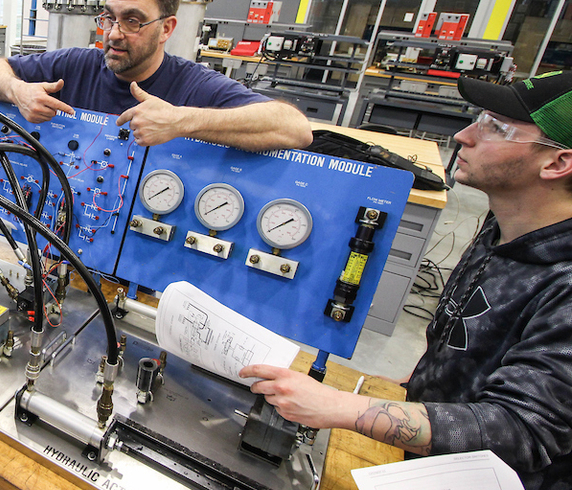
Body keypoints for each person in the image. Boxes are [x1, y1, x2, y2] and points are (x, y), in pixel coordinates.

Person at [240, 71, 572, 489]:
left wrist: (342, 407)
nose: (464, 136)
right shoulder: (503, 229)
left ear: (558, 162)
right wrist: (411, 389)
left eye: (496, 128)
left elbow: (522, 430)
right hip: (427, 454)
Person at [0, 0, 312, 151]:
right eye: (109, 18)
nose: (114, 34)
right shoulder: (75, 65)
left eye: (132, 21)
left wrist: (182, 121)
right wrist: (19, 90)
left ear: (166, 28)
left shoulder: (192, 83)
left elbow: (294, 128)